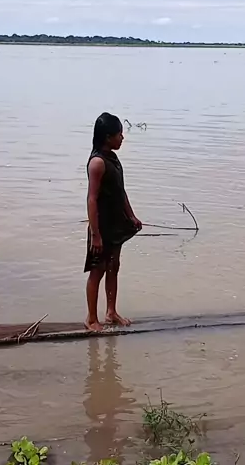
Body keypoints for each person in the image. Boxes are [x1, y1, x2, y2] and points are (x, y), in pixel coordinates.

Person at [84, 112, 142, 332]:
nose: (122, 138)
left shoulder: (113, 159)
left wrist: (131, 216)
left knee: (113, 267)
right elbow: (92, 199)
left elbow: (120, 192)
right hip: (101, 226)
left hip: (116, 224)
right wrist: (96, 235)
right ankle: (91, 318)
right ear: (108, 137)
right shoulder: (97, 163)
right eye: (119, 134)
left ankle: (111, 312)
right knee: (97, 270)